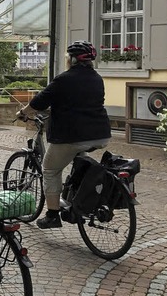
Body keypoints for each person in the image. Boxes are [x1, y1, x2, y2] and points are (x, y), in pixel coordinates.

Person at [17, 40, 111, 229]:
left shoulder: (64, 79)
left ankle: (52, 215)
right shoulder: (97, 78)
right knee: (79, 163)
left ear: (73, 59)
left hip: (72, 135)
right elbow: (80, 103)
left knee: (50, 170)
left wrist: (23, 113)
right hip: (100, 134)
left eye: (68, 57)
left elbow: (39, 101)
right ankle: (77, 198)